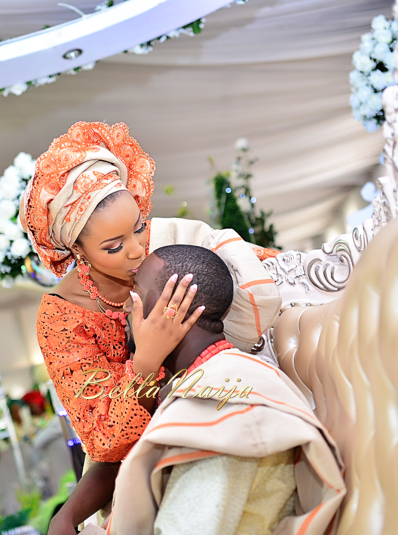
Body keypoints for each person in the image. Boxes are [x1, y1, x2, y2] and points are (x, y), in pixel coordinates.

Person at [22, 122, 283, 533]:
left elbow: (265, 268)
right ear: (78, 250)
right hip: (130, 469)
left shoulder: (167, 245)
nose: (137, 250)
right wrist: (145, 360)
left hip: (203, 429)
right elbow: (106, 443)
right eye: (113, 246)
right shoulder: (63, 317)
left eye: (139, 226)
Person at [98, 245, 345, 535]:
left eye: (137, 291)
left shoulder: (225, 406)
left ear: (174, 307)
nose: (126, 307)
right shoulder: (212, 379)